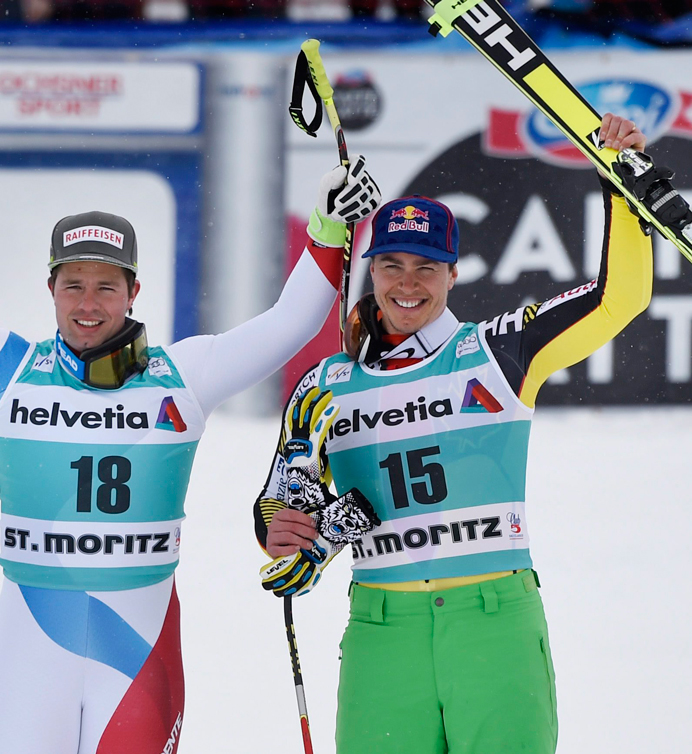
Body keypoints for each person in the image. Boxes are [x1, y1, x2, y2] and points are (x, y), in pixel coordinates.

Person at [0, 139, 381, 753]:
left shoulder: (184, 376)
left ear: (134, 291)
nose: (88, 304)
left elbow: (288, 325)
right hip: (28, 651)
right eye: (73, 284)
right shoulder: (10, 371)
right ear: (49, 288)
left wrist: (328, 229)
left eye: (106, 286)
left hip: (139, 650)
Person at [253, 114, 652, 753]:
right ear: (370, 270)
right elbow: (277, 505)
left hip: (493, 621)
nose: (408, 284)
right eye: (391, 266)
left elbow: (617, 298)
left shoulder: (498, 350)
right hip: (383, 629)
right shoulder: (325, 383)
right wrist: (294, 536)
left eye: (427, 267)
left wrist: (619, 181)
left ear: (454, 273)